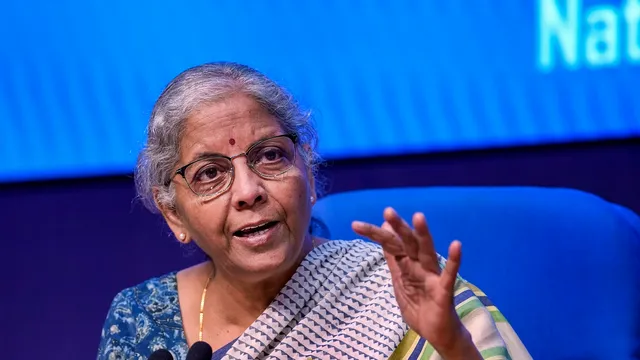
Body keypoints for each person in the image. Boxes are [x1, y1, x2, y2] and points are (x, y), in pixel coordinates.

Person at [97, 62, 530, 360]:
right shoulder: (143, 319)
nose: (249, 191)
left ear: (307, 169)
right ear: (174, 213)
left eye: (270, 156)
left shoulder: (404, 289)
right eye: (210, 173)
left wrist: (451, 342)